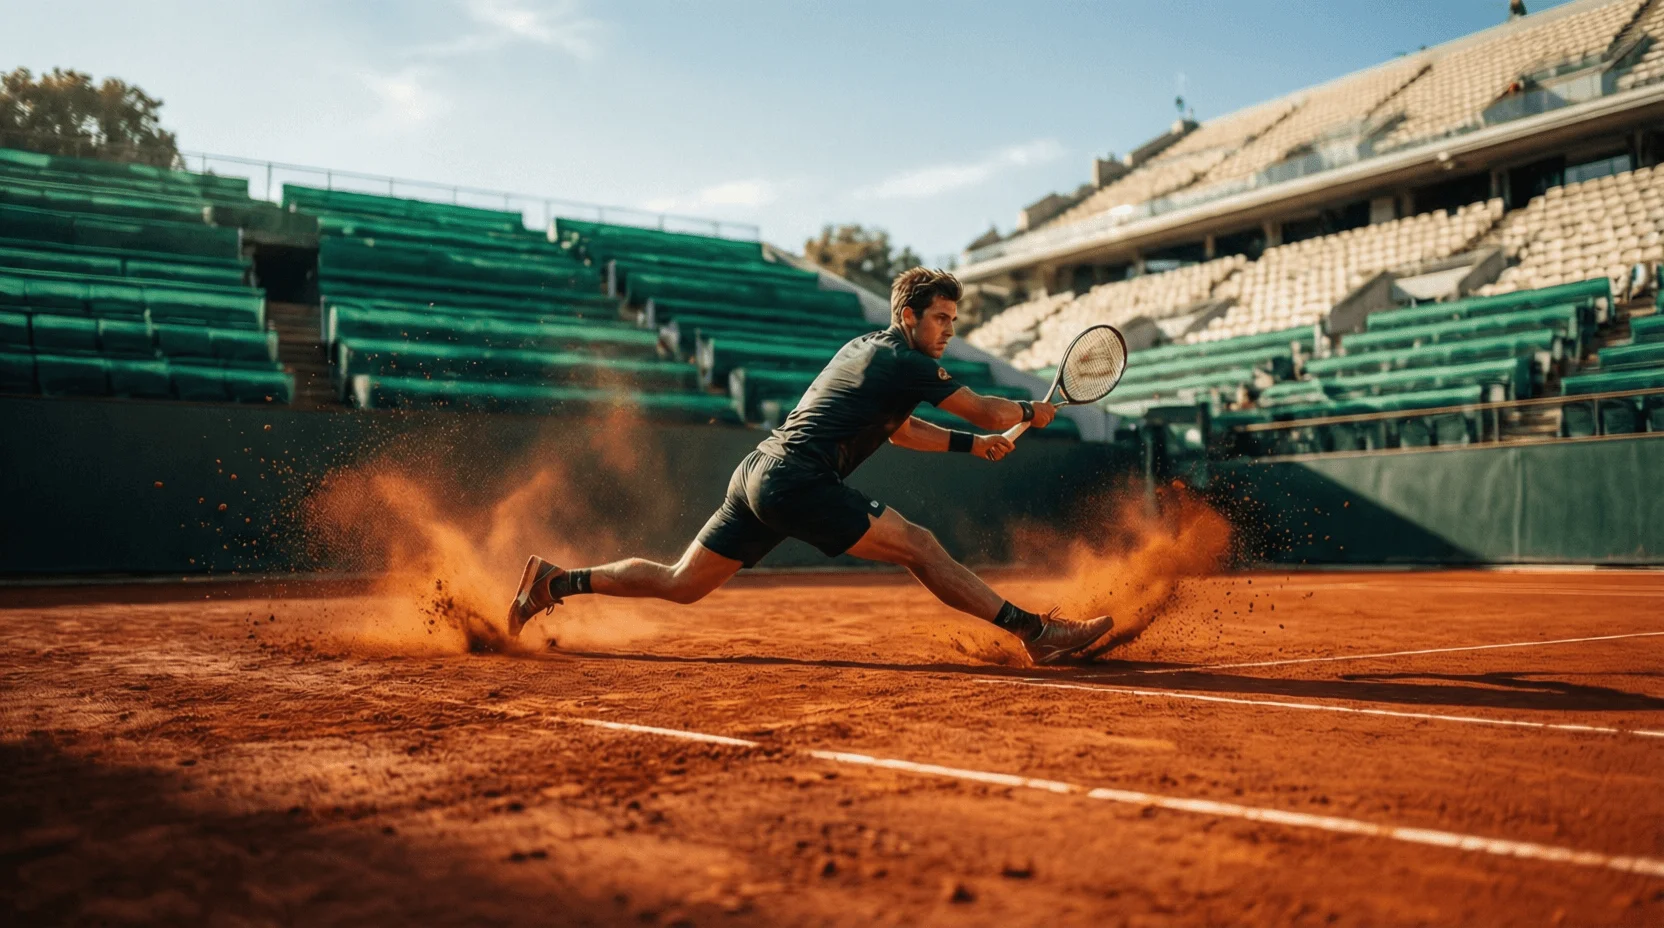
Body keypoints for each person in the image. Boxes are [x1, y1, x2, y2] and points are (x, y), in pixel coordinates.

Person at [505, 268, 1115, 664]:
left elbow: (902, 430)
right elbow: (985, 408)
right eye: (940, 319)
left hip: (757, 473)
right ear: (908, 316)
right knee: (921, 546)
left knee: (680, 583)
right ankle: (1036, 632)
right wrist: (1028, 411)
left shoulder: (863, 349)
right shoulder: (907, 362)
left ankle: (555, 581)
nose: (948, 331)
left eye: (953, 322)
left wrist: (972, 446)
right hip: (796, 480)